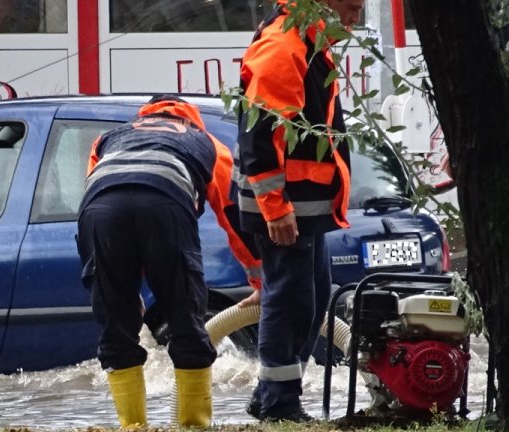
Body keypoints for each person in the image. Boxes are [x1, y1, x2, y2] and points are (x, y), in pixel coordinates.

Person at [76, 95, 261, 428]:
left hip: (100, 212)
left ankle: (132, 426)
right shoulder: (202, 140)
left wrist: (120, 291)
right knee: (185, 320)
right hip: (165, 204)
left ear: (144, 115)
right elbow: (234, 215)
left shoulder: (108, 139)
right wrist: (261, 281)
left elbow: (96, 203)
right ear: (190, 117)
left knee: (117, 329)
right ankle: (193, 425)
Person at [234, 0, 363, 423]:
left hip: (301, 205)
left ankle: (276, 391)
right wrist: (275, 209)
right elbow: (259, 131)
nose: (355, 19)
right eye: (351, 7)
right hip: (283, 205)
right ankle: (278, 402)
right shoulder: (285, 43)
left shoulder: (307, 41)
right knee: (290, 298)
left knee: (312, 296)